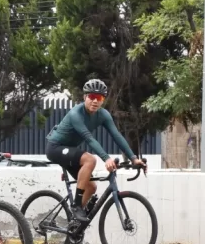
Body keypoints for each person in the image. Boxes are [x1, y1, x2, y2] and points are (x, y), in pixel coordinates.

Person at [45, 79, 147, 224]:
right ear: (84, 97)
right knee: (90, 159)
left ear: (103, 100)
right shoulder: (76, 114)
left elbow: (117, 136)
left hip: (71, 151)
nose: (95, 101)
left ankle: (74, 226)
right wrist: (106, 158)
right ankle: (76, 206)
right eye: (91, 97)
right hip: (55, 148)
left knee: (91, 187)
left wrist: (133, 158)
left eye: (99, 98)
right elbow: (89, 139)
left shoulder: (103, 115)